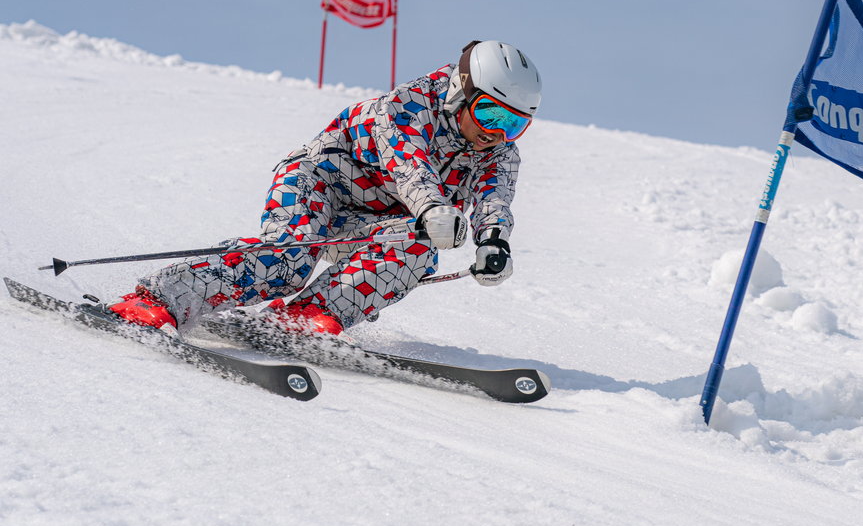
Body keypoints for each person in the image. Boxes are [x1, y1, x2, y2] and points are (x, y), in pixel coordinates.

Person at [108, 40, 541, 336]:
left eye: (514, 123)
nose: (497, 133)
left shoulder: (498, 153)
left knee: (416, 249)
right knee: (288, 262)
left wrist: (493, 243)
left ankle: (304, 319)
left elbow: (493, 198)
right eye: (490, 113)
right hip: (318, 184)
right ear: (462, 92)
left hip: (374, 220)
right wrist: (431, 209)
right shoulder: (406, 106)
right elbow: (408, 164)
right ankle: (159, 299)